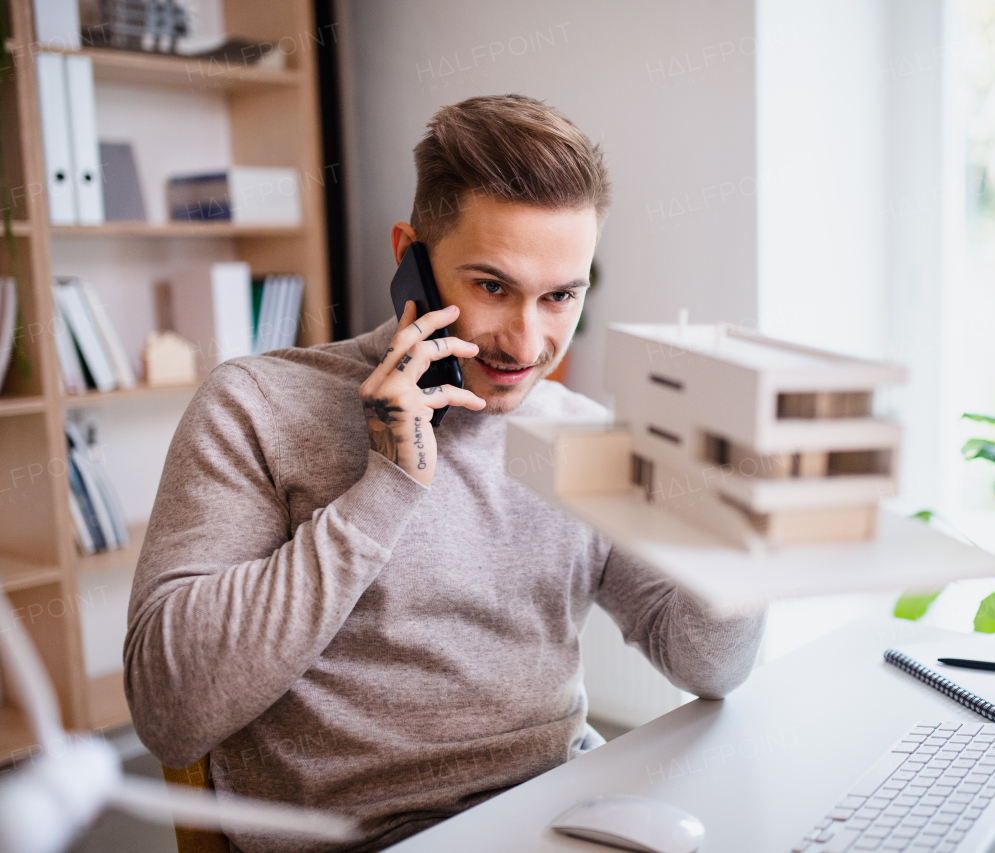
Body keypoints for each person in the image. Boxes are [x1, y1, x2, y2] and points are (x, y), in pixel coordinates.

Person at [124, 94, 765, 853]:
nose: (527, 340)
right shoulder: (256, 405)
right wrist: (386, 488)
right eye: (492, 286)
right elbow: (170, 710)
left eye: (561, 295)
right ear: (411, 258)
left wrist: (733, 520)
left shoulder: (578, 432)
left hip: (561, 814)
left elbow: (707, 665)